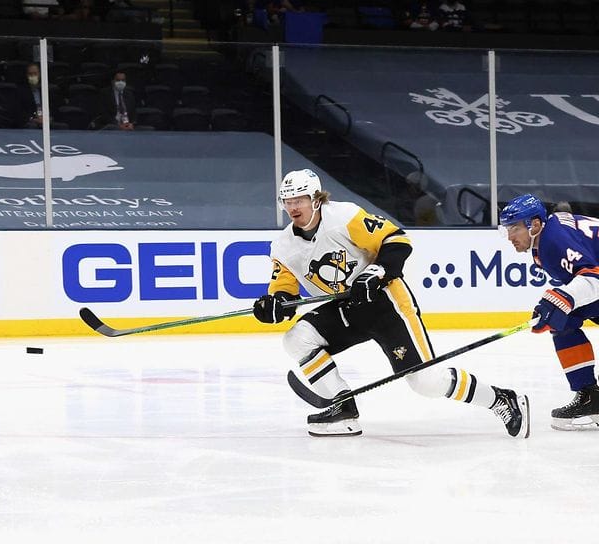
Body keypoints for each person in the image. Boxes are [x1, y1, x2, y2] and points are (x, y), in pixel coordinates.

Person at [253, 169, 529, 438]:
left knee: (426, 382)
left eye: (299, 200)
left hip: (386, 304)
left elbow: (397, 240)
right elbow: (284, 291)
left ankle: (501, 399)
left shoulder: (343, 217)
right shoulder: (283, 246)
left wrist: (377, 272)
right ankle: (342, 408)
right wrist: (275, 305)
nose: (293, 207)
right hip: (345, 309)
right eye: (288, 201)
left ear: (315, 199)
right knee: (296, 339)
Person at [500, 194, 599, 430]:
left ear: (535, 225)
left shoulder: (553, 241)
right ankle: (590, 397)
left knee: (561, 315)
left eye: (515, 228)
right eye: (507, 230)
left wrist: (561, 299)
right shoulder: (547, 236)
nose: (510, 237)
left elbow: (594, 277)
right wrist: (558, 304)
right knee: (561, 319)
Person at [17, 63, 46, 128]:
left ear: (40, 74)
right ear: (27, 75)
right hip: (31, 122)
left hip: (46, 121)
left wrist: (48, 118)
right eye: (30, 74)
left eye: (35, 73)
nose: (33, 76)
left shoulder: (46, 89)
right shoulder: (21, 91)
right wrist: (33, 119)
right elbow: (19, 112)